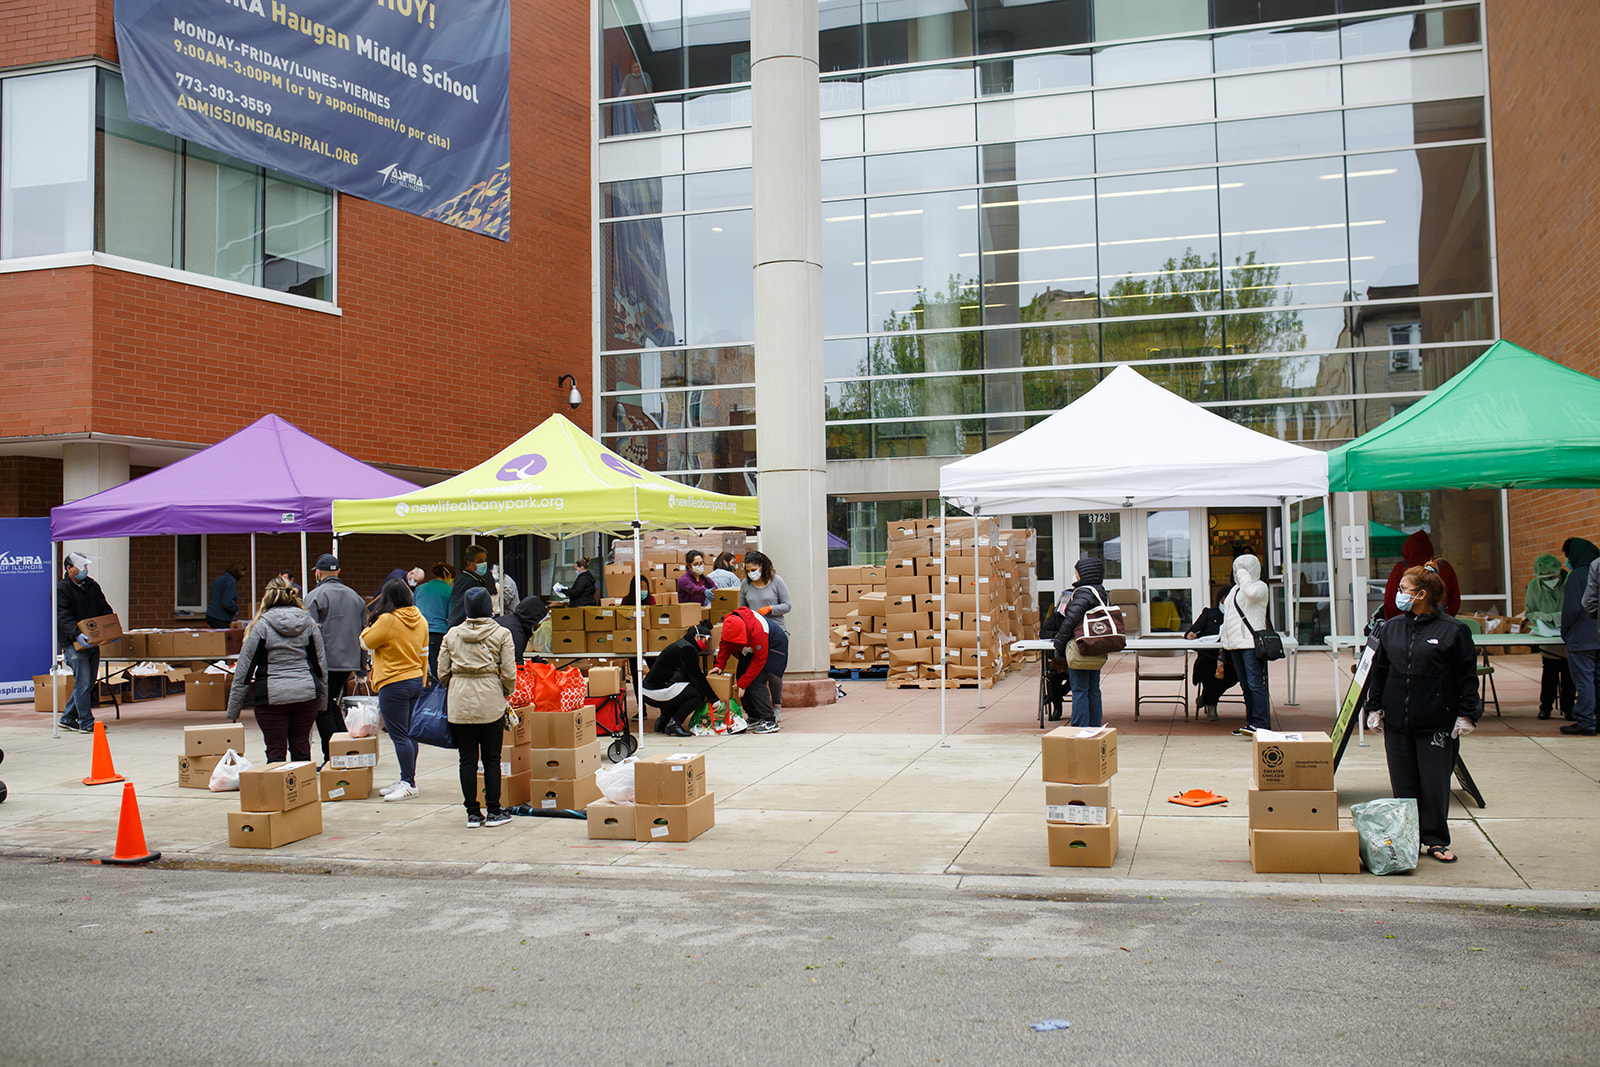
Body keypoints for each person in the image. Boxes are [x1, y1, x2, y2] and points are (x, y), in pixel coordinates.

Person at [1365, 561, 1481, 862]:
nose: (1398, 594)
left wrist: (1468, 713)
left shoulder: (1453, 631)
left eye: (1404, 590)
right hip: (1398, 723)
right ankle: (1408, 839)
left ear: (1422, 594)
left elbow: (1466, 675)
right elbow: (1379, 672)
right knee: (1403, 785)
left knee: (1434, 784)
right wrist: (1374, 707)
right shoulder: (1390, 628)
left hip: (1436, 722)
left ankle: (1436, 839)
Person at [438, 586, 517, 828]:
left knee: (467, 759)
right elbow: (509, 673)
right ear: (489, 607)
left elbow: (442, 671)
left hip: (459, 702)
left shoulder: (451, 635)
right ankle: (494, 810)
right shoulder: (502, 634)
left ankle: (472, 813)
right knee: (492, 758)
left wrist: (457, 686)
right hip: (490, 699)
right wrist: (503, 691)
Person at [226, 577, 328, 763]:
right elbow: (320, 664)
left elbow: (244, 669)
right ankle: (302, 786)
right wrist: (322, 701)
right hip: (306, 693)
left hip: (271, 697)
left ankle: (279, 788)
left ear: (267, 597)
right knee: (301, 744)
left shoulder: (260, 626)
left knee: (275, 748)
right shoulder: (309, 623)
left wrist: (233, 710)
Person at [361, 578, 429, 800]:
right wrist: (423, 680)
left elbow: (366, 642)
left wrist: (370, 624)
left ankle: (409, 783)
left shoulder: (388, 619)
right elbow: (425, 654)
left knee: (399, 735)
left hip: (392, 682)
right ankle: (406, 779)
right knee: (410, 733)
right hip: (415, 679)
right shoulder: (421, 619)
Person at [303, 554, 368, 764]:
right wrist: (361, 669)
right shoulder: (356, 597)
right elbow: (363, 634)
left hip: (324, 663)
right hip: (348, 662)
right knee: (330, 705)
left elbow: (307, 633)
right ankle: (345, 750)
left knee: (322, 708)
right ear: (339, 572)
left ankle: (334, 755)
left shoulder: (315, 596)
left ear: (318, 573)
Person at [54, 552, 114, 734]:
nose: (84, 570)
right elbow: (63, 617)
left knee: (88, 682)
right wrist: (76, 635)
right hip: (74, 643)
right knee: (83, 681)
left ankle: (67, 718)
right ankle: (86, 721)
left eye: (86, 566)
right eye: (81, 567)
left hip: (93, 641)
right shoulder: (61, 589)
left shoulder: (92, 586)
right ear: (69, 568)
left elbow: (104, 607)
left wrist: (110, 626)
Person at [1048, 556, 1109, 729]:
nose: (1075, 577)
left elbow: (1070, 621)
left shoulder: (1083, 593)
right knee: (1093, 689)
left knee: (1080, 689)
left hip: (1081, 648)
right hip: (1096, 647)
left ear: (1084, 574)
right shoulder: (1100, 592)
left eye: (1076, 573)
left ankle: (1081, 729)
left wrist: (1059, 645)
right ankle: (1095, 727)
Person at [1220, 553, 1272, 737]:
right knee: (1245, 685)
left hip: (1250, 644)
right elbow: (1229, 616)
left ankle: (1261, 723)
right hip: (1235, 644)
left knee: (1255, 683)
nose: (1236, 573)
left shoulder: (1259, 587)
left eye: (1240, 569)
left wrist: (1243, 575)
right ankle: (1252, 722)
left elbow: (1250, 593)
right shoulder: (1235, 590)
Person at [712, 606, 787, 734]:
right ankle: (754, 717)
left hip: (772, 647)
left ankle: (769, 720)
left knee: (755, 682)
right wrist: (719, 665)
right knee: (741, 676)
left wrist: (744, 683)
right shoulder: (730, 623)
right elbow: (725, 643)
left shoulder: (758, 631)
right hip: (751, 649)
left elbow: (759, 661)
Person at [643, 625, 723, 738]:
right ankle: (675, 723)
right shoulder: (688, 650)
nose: (706, 643)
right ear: (697, 637)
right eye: (706, 640)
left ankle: (663, 722)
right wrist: (713, 699)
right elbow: (697, 677)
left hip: (649, 690)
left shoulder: (680, 645)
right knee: (696, 694)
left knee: (683, 691)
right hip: (657, 692)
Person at [740, 550, 791, 720]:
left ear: (762, 566)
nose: (751, 573)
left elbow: (787, 605)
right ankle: (757, 709)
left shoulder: (776, 581)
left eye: (753, 569)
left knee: (773, 672)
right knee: (755, 670)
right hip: (755, 634)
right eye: (748, 570)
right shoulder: (745, 585)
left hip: (776, 633)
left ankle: (777, 706)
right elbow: (742, 609)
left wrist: (770, 609)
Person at [1523, 551, 1573, 721]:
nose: (1548, 580)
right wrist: (1540, 617)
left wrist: (1555, 616)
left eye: (1551, 576)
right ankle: (1545, 707)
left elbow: (1574, 609)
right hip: (1547, 637)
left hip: (1567, 636)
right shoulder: (1534, 586)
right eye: (1544, 577)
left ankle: (1569, 708)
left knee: (1568, 675)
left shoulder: (1570, 583)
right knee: (1550, 673)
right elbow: (1529, 610)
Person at [1186, 591, 1238, 723]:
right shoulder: (1209, 613)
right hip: (1209, 656)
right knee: (1207, 669)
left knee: (1236, 671)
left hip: (1231, 657)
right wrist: (1190, 634)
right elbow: (1194, 629)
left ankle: (1207, 698)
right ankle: (1211, 705)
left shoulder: (1238, 616)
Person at [1383, 530, 1461, 618]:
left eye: (1403, 589)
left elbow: (1390, 601)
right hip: (1440, 619)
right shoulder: (1444, 567)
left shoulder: (1400, 568)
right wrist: (1448, 616)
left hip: (1406, 622)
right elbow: (1455, 600)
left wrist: (1394, 622)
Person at [1567, 538, 1600, 736]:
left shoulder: (1578, 575)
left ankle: (1586, 721)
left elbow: (1580, 606)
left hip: (1582, 638)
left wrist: (1567, 633)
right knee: (1597, 679)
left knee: (1584, 681)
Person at [412, 563, 455, 682]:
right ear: (449, 576)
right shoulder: (449, 590)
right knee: (437, 669)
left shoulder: (420, 589)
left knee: (419, 667)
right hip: (438, 632)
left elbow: (413, 609)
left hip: (418, 633)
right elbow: (451, 614)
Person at [1038, 588, 1074, 722]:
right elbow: (1043, 633)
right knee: (1052, 677)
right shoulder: (1056, 616)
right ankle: (1057, 707)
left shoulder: (1080, 616)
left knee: (1078, 677)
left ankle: (1054, 696)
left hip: (1075, 657)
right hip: (1058, 658)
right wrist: (1056, 636)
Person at [447, 545, 496, 627]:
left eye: (485, 561)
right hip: (465, 629)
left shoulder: (476, 579)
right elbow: (459, 610)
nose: (484, 564)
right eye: (480, 561)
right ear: (469, 563)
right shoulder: (467, 582)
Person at [495, 593, 549, 666]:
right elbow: (515, 663)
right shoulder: (516, 633)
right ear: (534, 619)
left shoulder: (510, 620)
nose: (539, 625)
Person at [206, 561, 246, 629]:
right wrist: (236, 609)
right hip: (221, 617)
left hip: (211, 615)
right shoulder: (231, 582)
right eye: (242, 572)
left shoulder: (219, 579)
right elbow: (227, 603)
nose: (243, 574)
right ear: (237, 571)